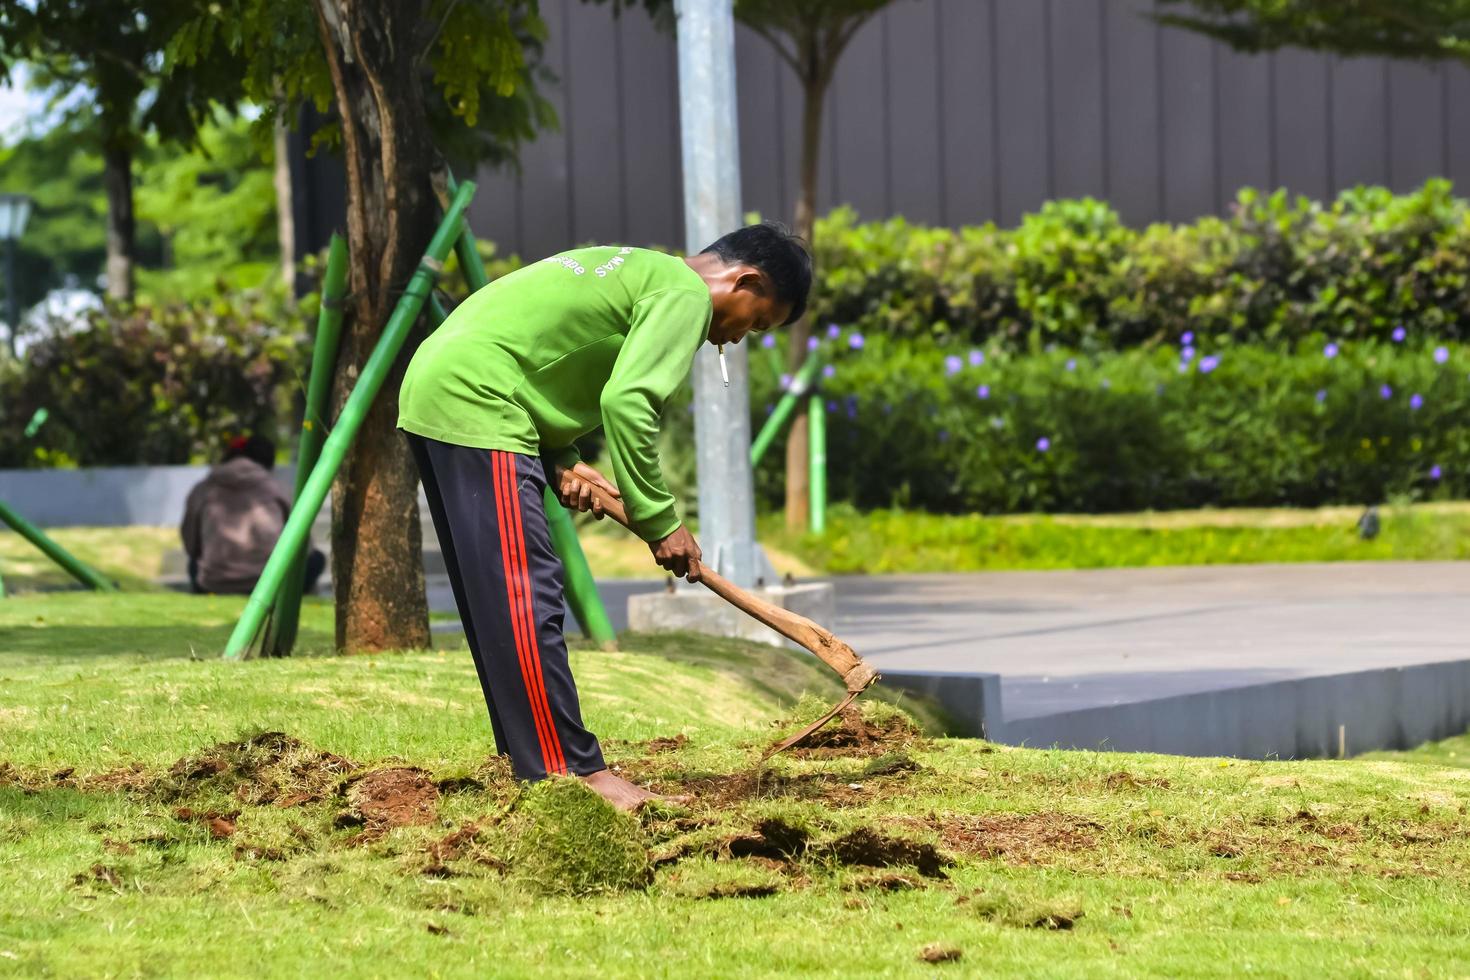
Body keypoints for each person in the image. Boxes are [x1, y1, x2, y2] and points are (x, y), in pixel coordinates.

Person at [398, 223, 812, 810]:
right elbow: (629, 401)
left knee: (499, 603)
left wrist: (561, 457)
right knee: (525, 597)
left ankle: (529, 760)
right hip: (480, 401)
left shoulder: (642, 269)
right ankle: (571, 771)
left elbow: (542, 352)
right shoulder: (685, 295)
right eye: (758, 320)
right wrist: (659, 520)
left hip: (443, 388)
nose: (741, 338)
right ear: (746, 279)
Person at [180, 435, 326, 596]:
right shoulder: (276, 487)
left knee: (194, 563)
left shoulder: (203, 488)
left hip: (215, 582)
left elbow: (191, 544)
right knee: (316, 559)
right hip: (271, 582)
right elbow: (302, 542)